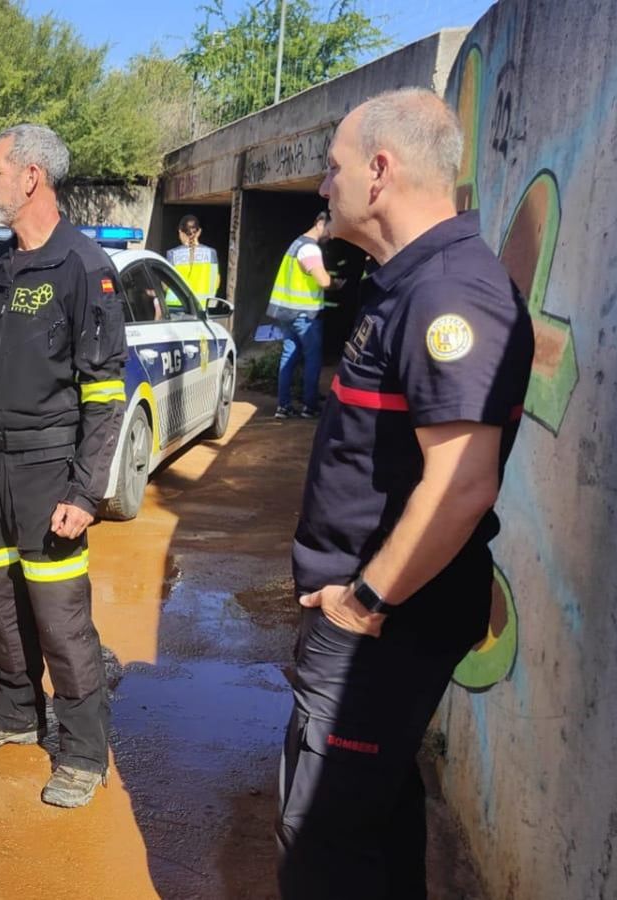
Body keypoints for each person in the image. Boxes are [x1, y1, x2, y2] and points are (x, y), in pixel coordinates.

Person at [275, 88, 533, 898]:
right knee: (373, 825)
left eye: (334, 168)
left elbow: (461, 484)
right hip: (377, 621)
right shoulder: (405, 282)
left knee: (324, 850)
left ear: (379, 172)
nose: (326, 185)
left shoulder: (449, 294)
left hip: (382, 625)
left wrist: (363, 604)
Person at [0, 123, 128, 809]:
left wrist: (86, 490)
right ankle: (17, 714)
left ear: (32, 176)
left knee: (60, 621)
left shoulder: (83, 266)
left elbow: (105, 394)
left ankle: (82, 753)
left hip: (48, 472)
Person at [268, 211, 335, 419]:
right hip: (305, 315)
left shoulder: (296, 244)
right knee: (312, 359)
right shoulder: (310, 248)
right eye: (330, 230)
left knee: (288, 357)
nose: (331, 235)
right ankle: (310, 406)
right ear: (320, 223)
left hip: (287, 312)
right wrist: (336, 283)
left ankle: (283, 406)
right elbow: (323, 281)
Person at [164, 214, 221, 312]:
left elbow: (166, 285)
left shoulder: (172, 254)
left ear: (180, 232)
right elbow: (216, 282)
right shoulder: (211, 253)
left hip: (175, 308)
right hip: (202, 309)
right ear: (199, 231)